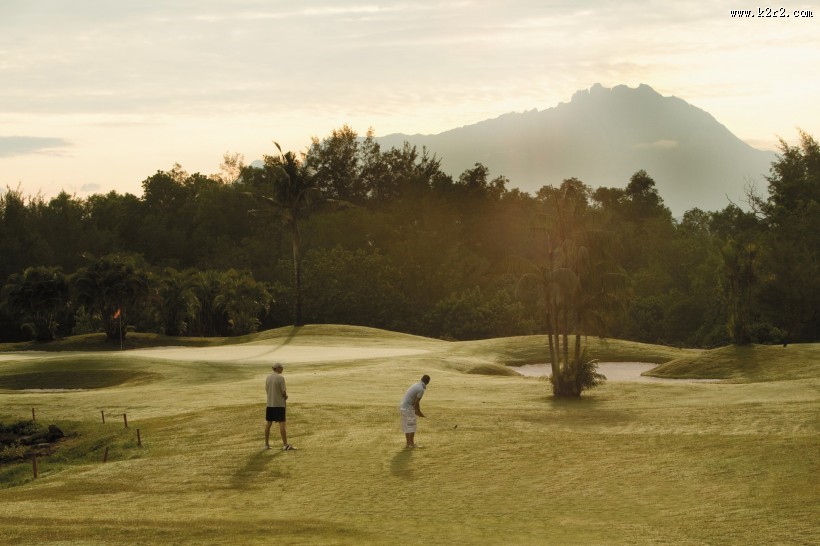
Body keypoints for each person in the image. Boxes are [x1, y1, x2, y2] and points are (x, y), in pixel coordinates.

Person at [265, 363, 294, 451]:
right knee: (282, 423)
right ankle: (285, 445)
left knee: (268, 423)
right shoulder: (280, 378)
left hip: (270, 404)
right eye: (281, 368)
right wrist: (285, 397)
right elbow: (283, 392)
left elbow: (267, 390)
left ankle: (266, 444)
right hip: (279, 404)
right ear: (277, 368)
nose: (282, 369)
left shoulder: (268, 378)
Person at [399, 374, 430, 448]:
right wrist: (418, 412)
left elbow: (415, 403)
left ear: (421, 379)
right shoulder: (421, 389)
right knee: (411, 426)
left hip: (402, 406)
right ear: (428, 382)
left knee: (407, 426)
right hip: (408, 408)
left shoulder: (416, 385)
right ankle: (411, 444)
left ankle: (408, 443)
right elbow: (416, 403)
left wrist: (417, 412)